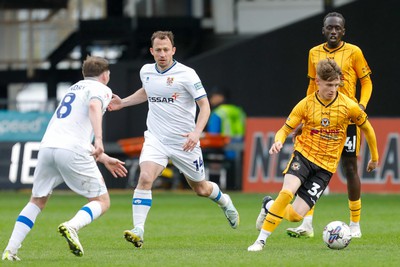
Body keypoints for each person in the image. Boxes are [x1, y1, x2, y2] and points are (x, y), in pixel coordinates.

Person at [107, 31, 239, 248]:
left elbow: (205, 106)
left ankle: (225, 201)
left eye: (166, 49)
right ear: (151, 51)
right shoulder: (146, 71)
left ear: (173, 50)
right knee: (145, 178)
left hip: (184, 142)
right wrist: (123, 103)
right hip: (156, 139)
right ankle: (138, 230)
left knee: (201, 189)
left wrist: (196, 133)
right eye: (158, 50)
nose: (162, 54)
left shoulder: (187, 74)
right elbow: (147, 91)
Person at [2, 56, 128, 261]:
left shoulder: (74, 88)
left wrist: (103, 157)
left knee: (36, 201)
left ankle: (10, 250)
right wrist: (100, 140)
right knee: (101, 201)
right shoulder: (101, 89)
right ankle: (72, 226)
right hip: (72, 150)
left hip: (47, 148)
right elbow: (95, 107)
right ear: (105, 75)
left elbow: (72, 129)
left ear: (84, 73)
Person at [248, 58, 378, 252]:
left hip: (325, 168)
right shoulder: (306, 104)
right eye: (328, 85)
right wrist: (278, 141)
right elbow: (284, 129)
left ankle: (268, 205)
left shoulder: (348, 106)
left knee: (294, 216)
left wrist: (374, 157)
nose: (333, 89)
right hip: (304, 156)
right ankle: (261, 240)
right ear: (318, 82)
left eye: (336, 85)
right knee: (286, 193)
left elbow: (367, 129)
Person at [283, 12, 372, 239]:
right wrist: (305, 117)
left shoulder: (354, 52)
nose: (333, 31)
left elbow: (366, 81)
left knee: (350, 167)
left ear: (344, 31)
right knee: (312, 166)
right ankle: (307, 223)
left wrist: (361, 105)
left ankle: (355, 224)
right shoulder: (314, 53)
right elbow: (312, 86)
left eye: (338, 28)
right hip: (319, 118)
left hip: (346, 119)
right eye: (329, 28)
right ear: (323, 30)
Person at [206, 88, 246, 189]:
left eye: (213, 97)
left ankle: (213, 185)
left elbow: (213, 135)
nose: (211, 100)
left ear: (220, 97)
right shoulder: (238, 111)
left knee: (213, 158)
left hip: (224, 145)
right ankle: (235, 187)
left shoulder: (219, 113)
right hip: (242, 146)